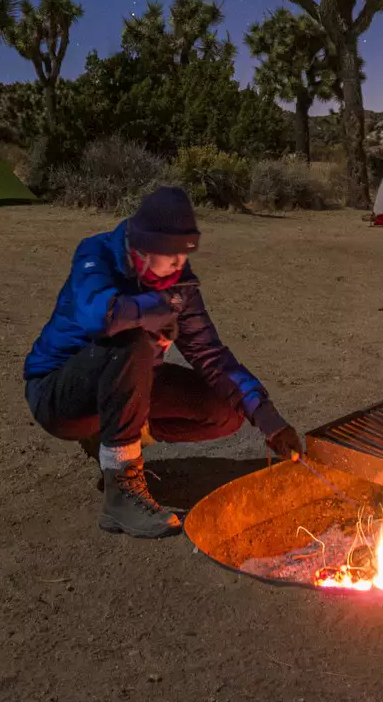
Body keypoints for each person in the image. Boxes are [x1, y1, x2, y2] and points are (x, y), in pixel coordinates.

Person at [24, 185, 303, 537]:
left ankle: (118, 436)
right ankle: (121, 497)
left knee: (225, 411)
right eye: (171, 253)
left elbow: (211, 355)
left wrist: (268, 419)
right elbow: (99, 316)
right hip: (58, 393)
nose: (179, 263)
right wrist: (154, 309)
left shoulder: (180, 285)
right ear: (143, 245)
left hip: (125, 385)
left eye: (185, 254)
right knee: (131, 340)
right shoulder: (96, 255)